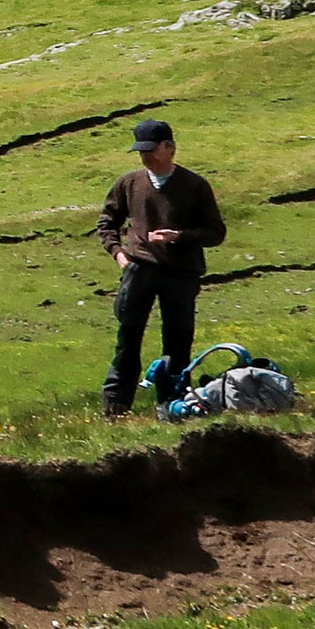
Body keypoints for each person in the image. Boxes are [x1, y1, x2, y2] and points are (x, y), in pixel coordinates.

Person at [97, 117, 226, 417]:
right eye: (141, 151)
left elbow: (215, 232)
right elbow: (107, 222)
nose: (146, 157)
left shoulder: (195, 185)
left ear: (170, 148)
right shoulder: (129, 182)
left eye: (151, 150)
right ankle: (115, 408)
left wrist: (179, 237)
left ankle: (173, 406)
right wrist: (118, 254)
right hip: (139, 270)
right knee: (127, 339)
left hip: (181, 273)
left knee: (178, 341)